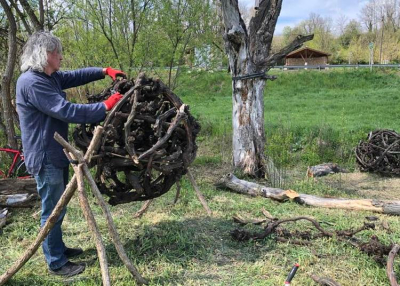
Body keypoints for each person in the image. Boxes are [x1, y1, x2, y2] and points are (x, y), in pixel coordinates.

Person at [16, 31, 125, 277]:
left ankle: (58, 248)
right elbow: (66, 110)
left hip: (56, 153)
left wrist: (104, 70)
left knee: (59, 205)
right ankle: (55, 261)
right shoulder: (32, 82)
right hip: (46, 156)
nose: (61, 57)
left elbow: (74, 76)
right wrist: (105, 106)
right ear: (45, 55)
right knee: (52, 209)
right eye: (57, 53)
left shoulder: (48, 77)